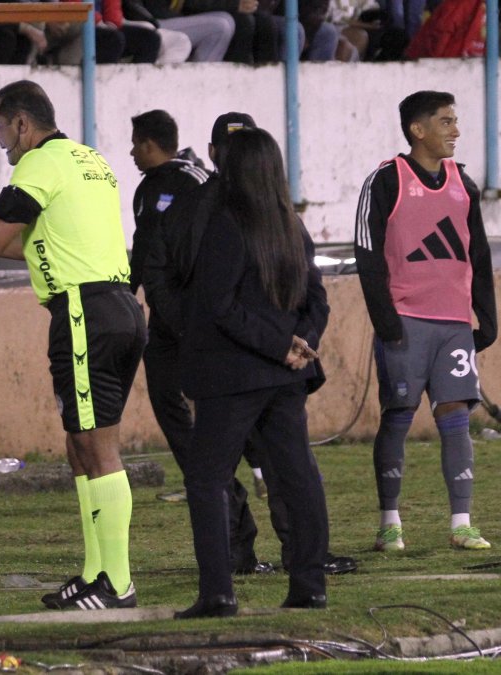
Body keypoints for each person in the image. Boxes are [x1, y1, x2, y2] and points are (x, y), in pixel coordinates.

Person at [0, 80, 146, 611]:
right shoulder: (88, 159)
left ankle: (117, 583)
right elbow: (23, 245)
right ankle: (95, 573)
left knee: (99, 449)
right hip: (115, 306)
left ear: (21, 123)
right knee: (80, 446)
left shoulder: (37, 164)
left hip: (85, 312)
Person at [175, 127, 330, 619]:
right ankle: (310, 586)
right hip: (284, 377)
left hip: (234, 375)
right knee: (297, 475)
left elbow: (219, 306)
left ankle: (218, 594)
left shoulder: (227, 224)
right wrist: (300, 344)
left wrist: (284, 345)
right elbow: (318, 300)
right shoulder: (292, 225)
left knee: (205, 479)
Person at [127, 110, 272, 575]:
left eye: (136, 144)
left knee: (215, 443)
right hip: (198, 333)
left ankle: (248, 545)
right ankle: (240, 546)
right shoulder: (199, 187)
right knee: (207, 446)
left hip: (202, 336)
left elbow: (158, 262)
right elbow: (162, 263)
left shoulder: (179, 186)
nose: (131, 153)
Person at [354, 90, 496, 553]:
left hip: (453, 323)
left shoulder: (464, 183)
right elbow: (367, 253)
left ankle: (461, 523)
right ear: (418, 130)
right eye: (446, 121)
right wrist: (386, 320)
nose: (455, 130)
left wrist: (487, 319)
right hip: (406, 321)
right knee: (398, 415)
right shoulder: (385, 179)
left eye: (455, 121)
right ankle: (389, 524)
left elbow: (477, 252)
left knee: (456, 415)